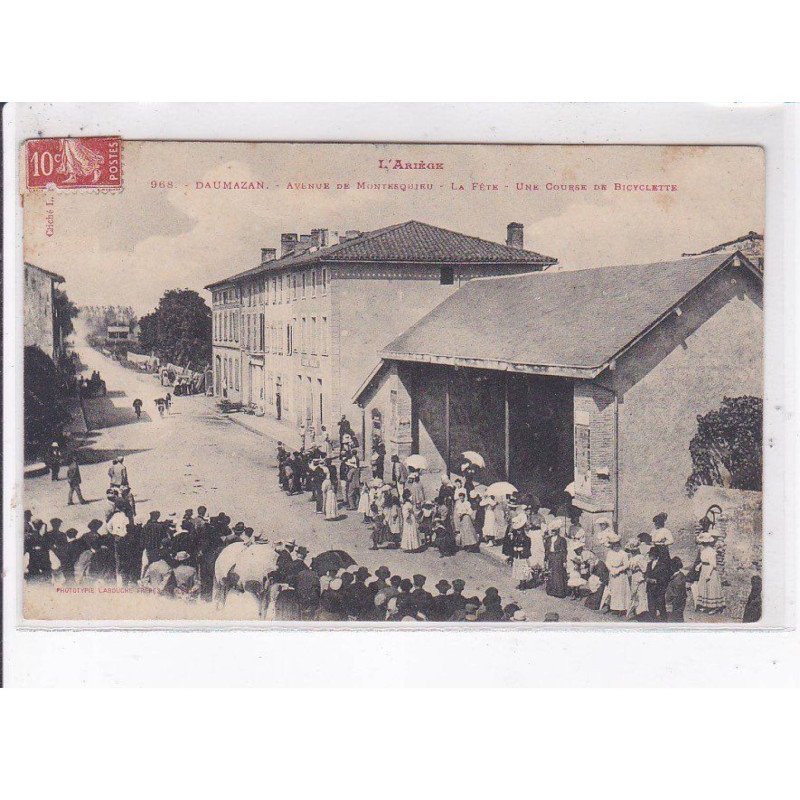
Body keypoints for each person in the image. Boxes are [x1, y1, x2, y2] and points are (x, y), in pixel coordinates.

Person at [694, 533, 725, 613]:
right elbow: (704, 561)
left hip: (710, 571)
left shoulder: (711, 551)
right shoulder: (703, 550)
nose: (703, 543)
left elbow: (713, 564)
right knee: (704, 587)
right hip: (704, 569)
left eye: (704, 542)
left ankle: (714, 607)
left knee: (711, 588)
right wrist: (699, 565)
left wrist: (708, 574)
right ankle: (705, 605)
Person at [645, 536, 672, 621]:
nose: (649, 556)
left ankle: (664, 619)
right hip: (650, 588)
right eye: (649, 554)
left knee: (660, 605)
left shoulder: (662, 565)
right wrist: (646, 578)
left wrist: (656, 581)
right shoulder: (649, 564)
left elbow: (665, 577)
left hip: (659, 588)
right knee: (651, 605)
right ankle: (652, 619)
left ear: (655, 555)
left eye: (651, 554)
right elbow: (646, 573)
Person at [604, 533, 631, 615]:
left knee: (621, 592)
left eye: (617, 545)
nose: (615, 547)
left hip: (621, 575)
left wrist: (619, 570)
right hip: (613, 574)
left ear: (619, 545)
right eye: (614, 545)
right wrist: (611, 569)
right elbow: (607, 562)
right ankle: (614, 608)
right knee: (614, 591)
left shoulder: (623, 553)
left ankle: (622, 609)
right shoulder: (610, 553)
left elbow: (626, 564)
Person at [544, 518, 568, 598]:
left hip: (558, 557)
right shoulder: (548, 539)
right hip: (551, 556)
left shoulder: (562, 540)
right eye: (552, 530)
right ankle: (551, 590)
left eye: (554, 531)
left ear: (557, 531)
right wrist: (545, 559)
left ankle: (559, 591)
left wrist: (564, 561)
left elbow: (564, 551)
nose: (553, 532)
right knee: (551, 573)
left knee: (558, 574)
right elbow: (546, 549)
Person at [509, 514, 533, 589]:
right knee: (518, 569)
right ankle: (521, 582)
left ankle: (523, 583)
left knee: (523, 569)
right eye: (517, 530)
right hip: (517, 555)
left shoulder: (525, 537)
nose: (518, 531)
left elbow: (528, 546)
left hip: (522, 555)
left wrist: (522, 549)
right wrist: (514, 547)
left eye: (520, 529)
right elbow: (513, 543)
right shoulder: (515, 536)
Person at [664, 557, 689, 622]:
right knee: (679, 617)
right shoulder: (681, 574)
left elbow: (676, 593)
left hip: (677, 601)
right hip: (680, 600)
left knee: (676, 618)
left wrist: (669, 601)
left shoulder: (677, 579)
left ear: (673, 567)